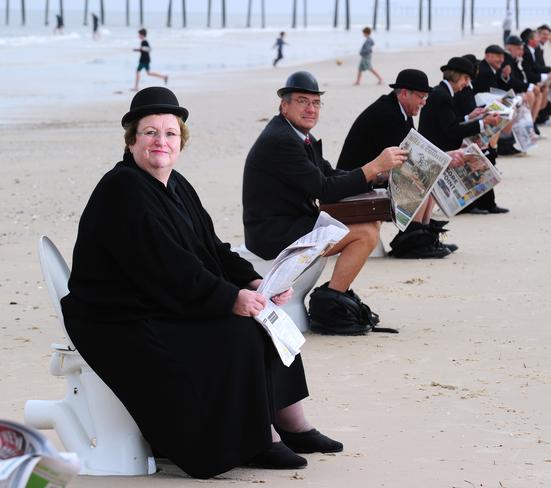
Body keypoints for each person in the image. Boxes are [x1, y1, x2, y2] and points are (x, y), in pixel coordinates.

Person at [61, 86, 343, 478]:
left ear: (181, 141)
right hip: (119, 317)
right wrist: (230, 299)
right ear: (131, 140)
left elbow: (213, 248)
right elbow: (165, 268)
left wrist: (255, 280)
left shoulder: (175, 184)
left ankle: (290, 421)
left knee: (269, 317)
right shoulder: (122, 189)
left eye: (170, 133)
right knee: (241, 331)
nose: (161, 141)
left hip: (162, 298)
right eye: (150, 132)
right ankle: (258, 438)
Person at [243, 71, 407, 335]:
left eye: (316, 103)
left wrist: (379, 174)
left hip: (291, 221)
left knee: (370, 221)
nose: (311, 108)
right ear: (284, 105)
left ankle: (334, 298)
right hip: (273, 234)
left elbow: (328, 174)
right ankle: (330, 308)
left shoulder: (297, 135)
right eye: (302, 101)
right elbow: (324, 189)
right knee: (365, 233)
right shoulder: (282, 141)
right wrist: (374, 165)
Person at [337, 69, 462, 258]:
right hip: (357, 182)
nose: (424, 102)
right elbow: (406, 161)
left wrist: (446, 156)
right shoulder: (388, 114)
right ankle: (413, 240)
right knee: (420, 175)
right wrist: (444, 158)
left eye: (426, 97)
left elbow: (413, 152)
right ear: (404, 93)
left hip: (374, 175)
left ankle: (423, 234)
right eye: (421, 96)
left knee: (432, 171)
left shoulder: (401, 111)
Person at [418, 57, 504, 215]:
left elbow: (449, 123)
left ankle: (481, 203)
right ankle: (472, 204)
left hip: (438, 142)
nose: (467, 83)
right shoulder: (443, 95)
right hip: (437, 148)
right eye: (466, 78)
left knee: (481, 149)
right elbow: (452, 130)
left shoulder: (441, 92)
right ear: (456, 76)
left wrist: (468, 117)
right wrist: (483, 123)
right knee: (478, 154)